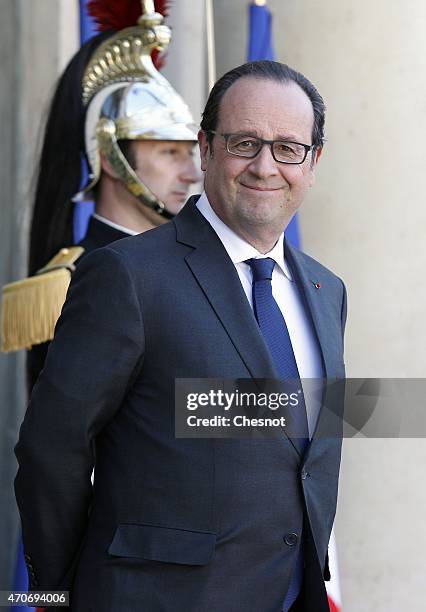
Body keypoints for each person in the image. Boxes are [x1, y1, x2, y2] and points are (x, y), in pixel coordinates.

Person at [15, 59, 347, 612]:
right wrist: (60, 593)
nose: (265, 167)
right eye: (244, 143)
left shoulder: (326, 291)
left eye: (288, 148)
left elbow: (301, 446)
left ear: (313, 162)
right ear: (207, 147)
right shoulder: (128, 275)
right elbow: (52, 449)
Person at [1, 0, 200, 392]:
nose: (192, 173)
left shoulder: (198, 264)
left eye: (190, 152)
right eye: (169, 152)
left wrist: (329, 412)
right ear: (110, 158)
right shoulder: (73, 286)